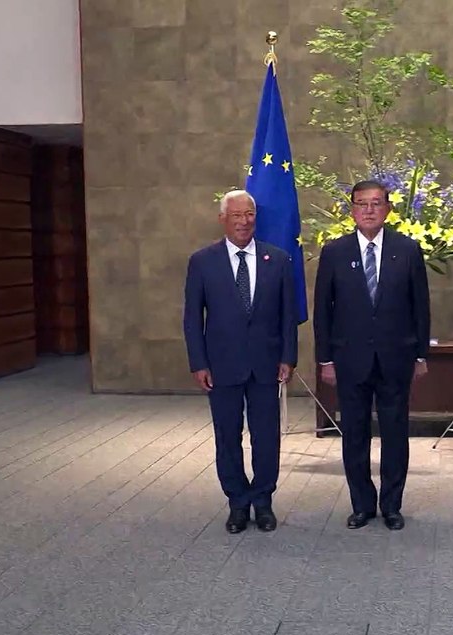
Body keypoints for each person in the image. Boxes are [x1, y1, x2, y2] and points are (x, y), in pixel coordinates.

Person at [314, 179, 431, 531]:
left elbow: (420, 307)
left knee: (395, 434)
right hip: (350, 361)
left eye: (376, 203)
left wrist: (421, 354)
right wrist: (325, 359)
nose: (368, 210)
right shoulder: (335, 252)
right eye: (361, 204)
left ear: (388, 209)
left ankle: (392, 505)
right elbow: (323, 310)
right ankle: (362, 505)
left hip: (396, 358)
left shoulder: (407, 249)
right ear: (351, 209)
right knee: (355, 434)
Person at [183, 190, 297, 534]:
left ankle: (263, 502)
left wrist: (288, 357)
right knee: (227, 437)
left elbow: (287, 316)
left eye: (249, 215)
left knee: (266, 437)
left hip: (265, 365)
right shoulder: (202, 261)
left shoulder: (276, 259)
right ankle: (237, 503)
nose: (244, 221)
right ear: (223, 219)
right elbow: (192, 318)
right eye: (236, 215)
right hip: (221, 366)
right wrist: (198, 362)